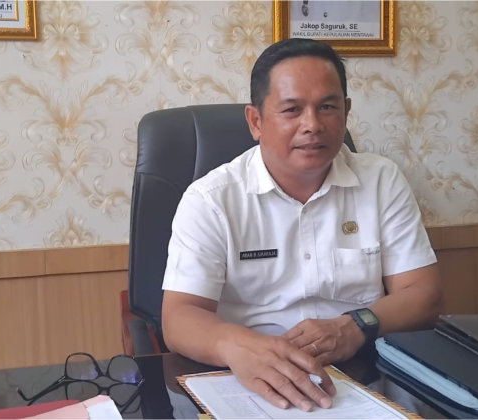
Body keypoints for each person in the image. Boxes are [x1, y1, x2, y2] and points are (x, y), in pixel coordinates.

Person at [161, 38, 443, 412]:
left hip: (364, 374)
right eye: (292, 110)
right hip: (247, 380)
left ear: (346, 112)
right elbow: (179, 317)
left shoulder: (381, 181)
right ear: (256, 121)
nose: (312, 125)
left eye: (327, 107)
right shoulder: (212, 199)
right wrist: (239, 347)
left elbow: (423, 294)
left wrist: (356, 325)